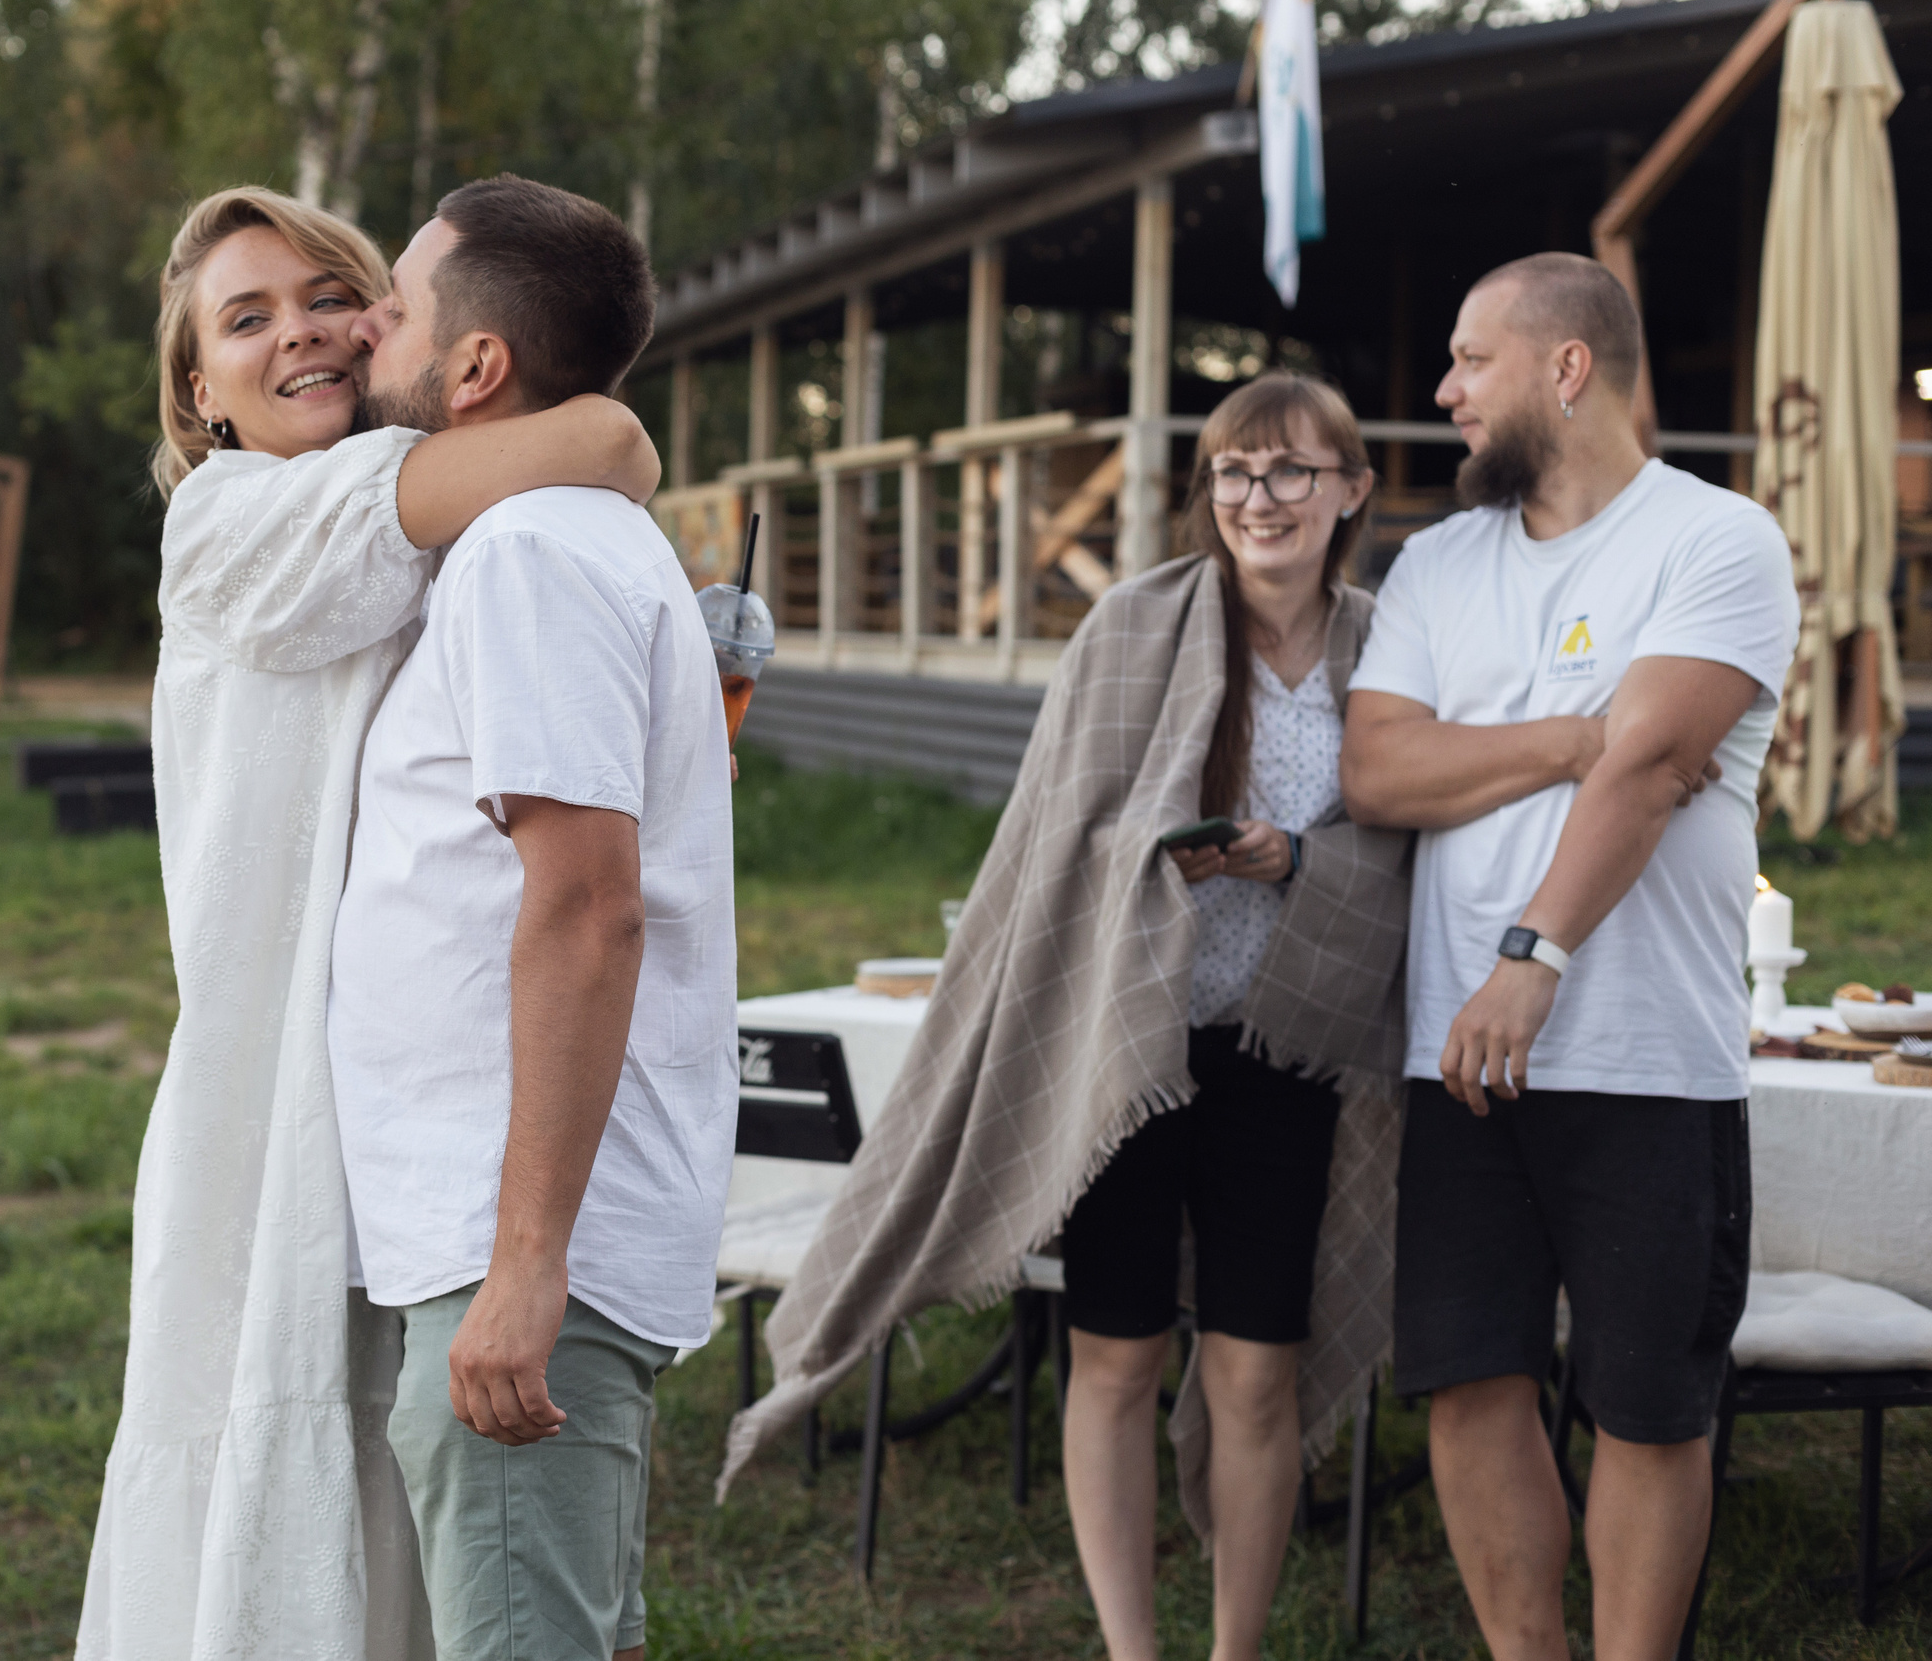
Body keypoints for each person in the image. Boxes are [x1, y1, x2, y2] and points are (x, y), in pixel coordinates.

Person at [714, 374, 1415, 1661]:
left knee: (1256, 1371)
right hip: (1117, 1046)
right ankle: (1132, 1649)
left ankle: (1234, 1651)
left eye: (1290, 473)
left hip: (1288, 1054)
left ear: (1351, 491)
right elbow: (1056, 827)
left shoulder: (1392, 650)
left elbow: (1416, 846)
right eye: (1232, 475)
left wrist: (1295, 864)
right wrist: (1152, 850)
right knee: (1114, 1355)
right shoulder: (1131, 625)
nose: (1258, 499)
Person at [75, 185, 661, 1661]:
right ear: (197, 392)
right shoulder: (232, 524)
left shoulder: (438, 514)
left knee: (432, 1491)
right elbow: (608, 440)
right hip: (270, 1107)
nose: (306, 334)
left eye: (335, 295)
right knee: (283, 1478)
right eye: (246, 319)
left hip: (412, 1103)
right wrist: (595, 441)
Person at [1342, 252, 1798, 1661]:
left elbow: (1655, 764)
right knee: (1470, 1383)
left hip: (1647, 1049)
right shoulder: (1434, 561)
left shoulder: (1718, 540)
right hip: (1454, 1057)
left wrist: (1533, 948)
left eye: (1472, 359)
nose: (1444, 390)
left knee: (1648, 1402)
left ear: (1568, 367)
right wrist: (1561, 735)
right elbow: (1377, 767)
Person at [324, 175, 738, 1661]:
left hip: (521, 1238)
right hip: (533, 1220)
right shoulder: (560, 539)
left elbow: (585, 909)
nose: (365, 325)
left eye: (398, 306)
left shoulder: (527, 552)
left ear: (477, 365)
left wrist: (523, 1265)